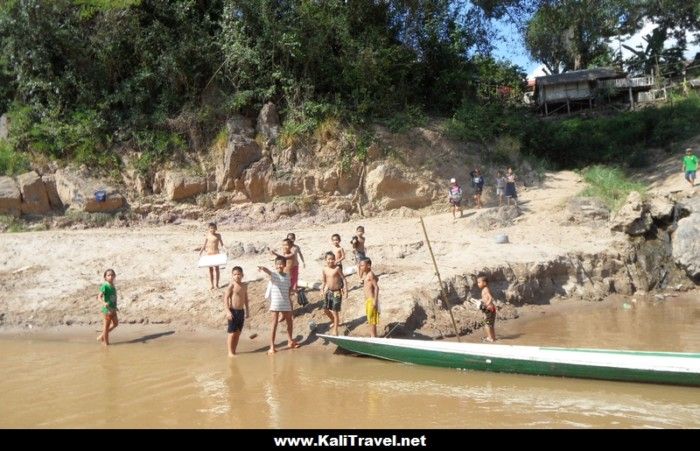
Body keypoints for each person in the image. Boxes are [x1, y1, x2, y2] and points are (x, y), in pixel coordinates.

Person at [258, 257, 300, 354]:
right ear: (275, 265)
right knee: (274, 323)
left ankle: (290, 341)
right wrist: (263, 268)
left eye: (281, 264)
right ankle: (272, 346)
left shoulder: (288, 276)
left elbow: (288, 290)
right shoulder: (274, 275)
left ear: (285, 265)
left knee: (290, 322)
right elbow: (268, 271)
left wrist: (294, 291)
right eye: (278, 264)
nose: (279, 266)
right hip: (276, 303)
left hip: (286, 302)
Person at [223, 266, 250, 357]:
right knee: (232, 333)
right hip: (233, 311)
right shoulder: (232, 285)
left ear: (242, 275)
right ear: (232, 276)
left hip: (241, 311)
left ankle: (234, 350)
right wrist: (227, 311)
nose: (237, 276)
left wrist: (247, 310)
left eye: (239, 274)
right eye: (235, 274)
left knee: (238, 332)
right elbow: (226, 298)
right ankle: (230, 352)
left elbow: (245, 298)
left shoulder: (244, 285)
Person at [321, 252, 348, 336]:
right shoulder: (324, 269)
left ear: (335, 260)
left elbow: (343, 279)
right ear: (325, 260)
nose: (331, 261)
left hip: (337, 292)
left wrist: (346, 290)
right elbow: (324, 281)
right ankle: (334, 321)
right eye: (329, 259)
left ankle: (335, 329)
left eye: (332, 259)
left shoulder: (337, 268)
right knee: (325, 309)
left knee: (335, 311)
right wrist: (322, 290)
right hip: (328, 291)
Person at [270, 238, 302, 307]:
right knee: (284, 295)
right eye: (283, 245)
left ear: (291, 245)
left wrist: (275, 254)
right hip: (284, 276)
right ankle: (286, 311)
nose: (284, 247)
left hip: (289, 277)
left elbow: (284, 257)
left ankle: (291, 312)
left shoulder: (292, 253)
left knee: (287, 296)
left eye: (286, 245)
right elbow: (281, 261)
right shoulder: (285, 253)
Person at [199, 222, 225, 290]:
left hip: (216, 254)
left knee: (217, 270)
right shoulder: (207, 235)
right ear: (208, 229)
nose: (212, 229)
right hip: (209, 254)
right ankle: (212, 285)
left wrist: (225, 250)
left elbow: (222, 244)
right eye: (211, 228)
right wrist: (200, 253)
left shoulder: (218, 235)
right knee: (210, 270)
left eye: (213, 228)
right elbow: (204, 245)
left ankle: (217, 284)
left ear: (216, 228)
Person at [97, 269, 118, 346]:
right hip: (107, 310)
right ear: (105, 277)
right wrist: (103, 303)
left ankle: (102, 335)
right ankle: (105, 343)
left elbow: (113, 297)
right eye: (108, 275)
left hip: (113, 309)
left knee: (115, 323)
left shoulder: (112, 285)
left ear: (115, 276)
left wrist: (115, 307)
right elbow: (99, 297)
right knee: (106, 327)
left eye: (112, 275)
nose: (111, 276)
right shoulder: (105, 286)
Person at [360, 258, 380, 337]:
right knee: (370, 319)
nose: (360, 267)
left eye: (362, 265)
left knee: (372, 320)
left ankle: (373, 336)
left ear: (368, 266)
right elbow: (377, 279)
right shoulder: (368, 274)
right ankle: (373, 336)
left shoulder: (370, 274)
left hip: (371, 300)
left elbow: (376, 287)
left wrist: (375, 300)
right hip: (368, 301)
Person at [476, 274, 497, 342]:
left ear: (484, 283)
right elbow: (486, 298)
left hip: (489, 309)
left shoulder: (485, 289)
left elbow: (490, 297)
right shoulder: (486, 289)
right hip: (491, 309)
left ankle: (489, 338)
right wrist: (482, 301)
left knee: (486, 324)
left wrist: (486, 304)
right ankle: (493, 338)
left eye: (479, 282)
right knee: (491, 324)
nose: (478, 284)